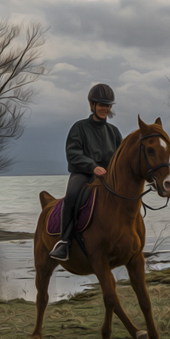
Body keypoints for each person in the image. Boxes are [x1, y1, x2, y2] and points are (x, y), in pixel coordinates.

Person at [49, 83, 122, 262]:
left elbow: (120, 157)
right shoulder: (79, 128)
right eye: (101, 104)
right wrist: (92, 166)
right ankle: (64, 242)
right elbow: (73, 154)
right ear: (92, 105)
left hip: (108, 177)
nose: (104, 108)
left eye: (107, 105)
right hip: (83, 174)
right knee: (72, 196)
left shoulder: (114, 132)